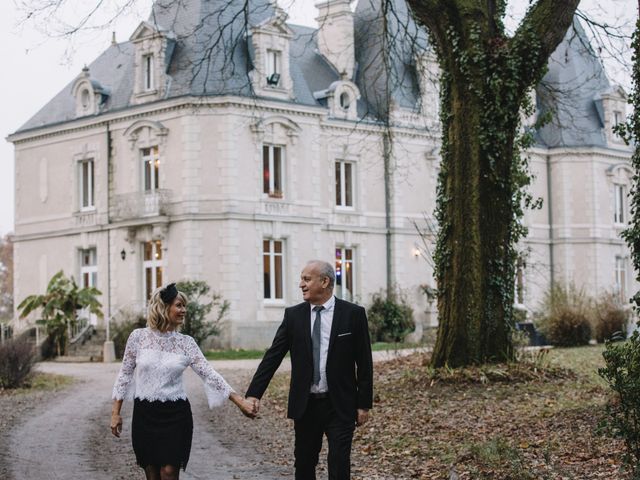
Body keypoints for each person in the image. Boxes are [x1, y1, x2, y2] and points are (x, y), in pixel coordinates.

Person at [110, 283, 256, 480]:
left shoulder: (186, 343)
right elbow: (125, 374)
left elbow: (210, 374)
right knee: (152, 474)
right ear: (163, 307)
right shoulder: (138, 338)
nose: (183, 310)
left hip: (175, 416)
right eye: (179, 305)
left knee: (169, 472)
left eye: (184, 306)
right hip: (145, 415)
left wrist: (240, 402)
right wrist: (115, 413)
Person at [246, 260, 373, 480]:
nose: (301, 285)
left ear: (324, 282)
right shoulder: (293, 316)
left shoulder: (353, 314)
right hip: (306, 405)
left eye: (307, 279)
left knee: (339, 464)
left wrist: (364, 404)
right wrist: (254, 393)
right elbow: (273, 357)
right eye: (302, 279)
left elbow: (364, 362)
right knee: (304, 464)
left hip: (340, 404)